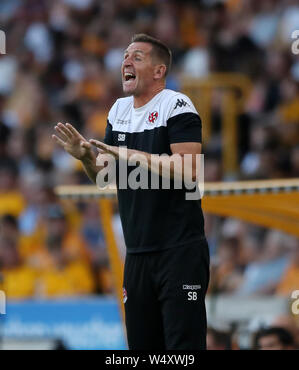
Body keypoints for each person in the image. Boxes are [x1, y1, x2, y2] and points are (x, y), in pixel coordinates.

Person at [52, 34, 209, 350]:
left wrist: (131, 155)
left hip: (179, 251)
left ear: (158, 70)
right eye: (125, 56)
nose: (126, 61)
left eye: (137, 57)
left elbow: (191, 170)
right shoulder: (118, 111)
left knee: (182, 348)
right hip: (137, 254)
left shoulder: (176, 104)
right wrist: (85, 157)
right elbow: (106, 178)